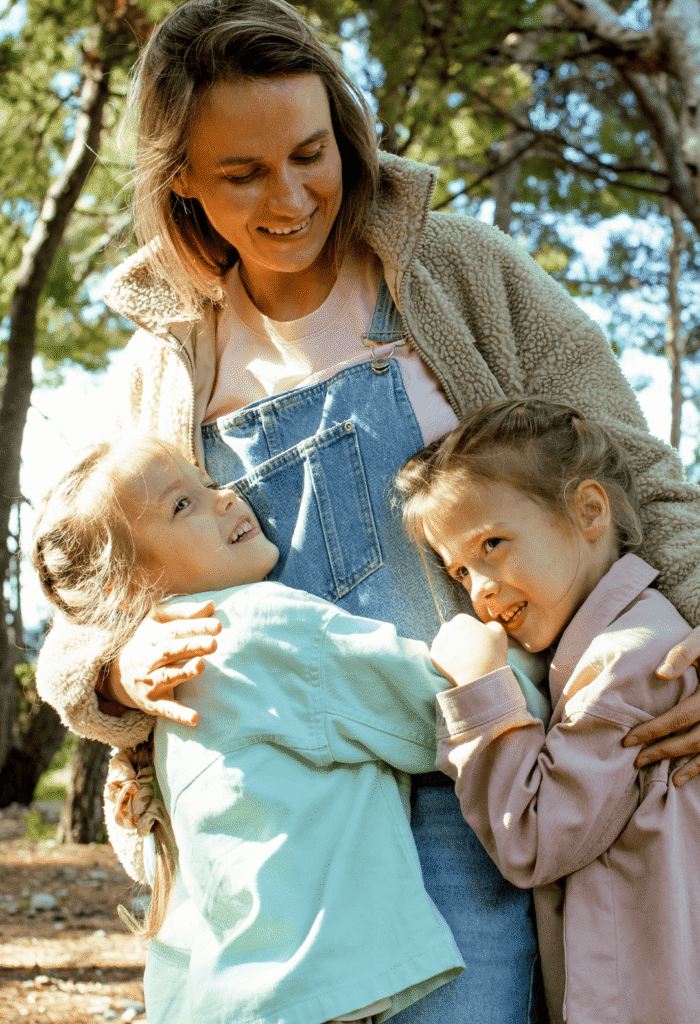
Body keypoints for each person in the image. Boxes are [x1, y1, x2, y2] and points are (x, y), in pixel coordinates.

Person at [33, 0, 700, 1020]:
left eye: (309, 153)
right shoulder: (165, 365)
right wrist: (114, 671)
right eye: (242, 174)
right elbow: (82, 612)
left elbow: (637, 475)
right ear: (183, 186)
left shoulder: (461, 274)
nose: (291, 197)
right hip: (271, 836)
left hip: (472, 795)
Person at [32, 434, 478, 1024]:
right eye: (182, 505)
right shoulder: (263, 625)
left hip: (215, 995)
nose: (226, 498)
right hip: (311, 983)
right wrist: (501, 659)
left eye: (209, 484)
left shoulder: (169, 683)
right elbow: (438, 714)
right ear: (129, 585)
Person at [396, 397, 700, 1024]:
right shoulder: (625, 643)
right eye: (458, 570)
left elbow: (536, 835)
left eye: (493, 543)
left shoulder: (629, 662)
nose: (478, 588)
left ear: (589, 511)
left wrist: (480, 686)